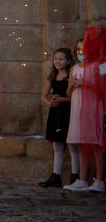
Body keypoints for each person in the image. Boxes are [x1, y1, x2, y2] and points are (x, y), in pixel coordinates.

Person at [65, 28, 106, 192]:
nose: (81, 52)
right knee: (82, 144)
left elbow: (102, 89)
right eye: (78, 49)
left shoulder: (98, 66)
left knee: (96, 145)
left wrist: (83, 84)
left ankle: (99, 179)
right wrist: (71, 87)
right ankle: (82, 179)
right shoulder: (74, 68)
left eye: (84, 49)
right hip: (77, 108)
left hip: (93, 109)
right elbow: (69, 93)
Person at [38, 47, 76, 187]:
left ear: (68, 61)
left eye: (61, 59)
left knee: (72, 145)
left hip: (69, 112)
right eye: (55, 59)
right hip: (56, 113)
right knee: (57, 146)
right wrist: (50, 102)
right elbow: (43, 95)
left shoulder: (71, 76)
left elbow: (73, 97)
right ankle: (56, 176)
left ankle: (75, 176)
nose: (57, 62)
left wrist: (61, 100)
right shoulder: (52, 76)